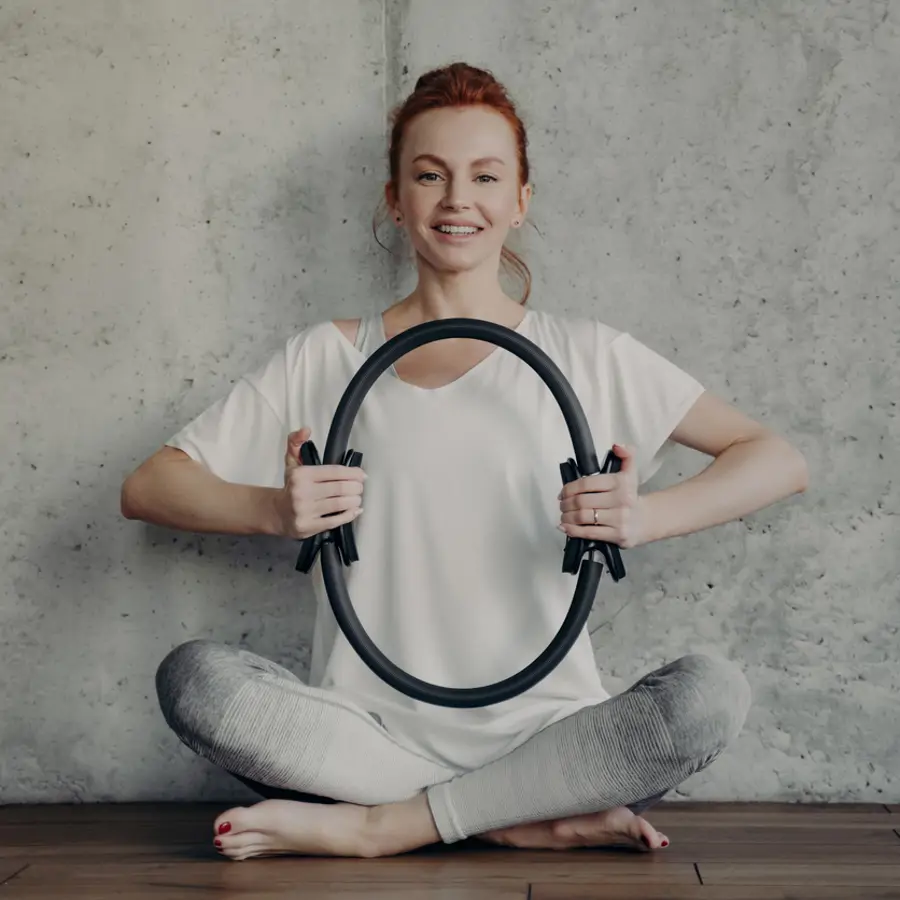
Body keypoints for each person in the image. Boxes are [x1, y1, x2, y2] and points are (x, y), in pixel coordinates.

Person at [121, 63, 808, 861]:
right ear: (396, 198)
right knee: (195, 680)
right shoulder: (326, 356)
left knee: (707, 699)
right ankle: (501, 815)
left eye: (485, 176)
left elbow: (777, 459)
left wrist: (647, 515)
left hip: (554, 741)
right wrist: (274, 510)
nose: (457, 200)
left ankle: (388, 826)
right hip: (366, 742)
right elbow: (149, 485)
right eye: (429, 175)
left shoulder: (586, 354)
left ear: (521, 199)